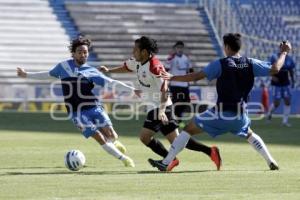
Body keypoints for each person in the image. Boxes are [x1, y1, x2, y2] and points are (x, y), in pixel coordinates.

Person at [149, 33, 290, 171]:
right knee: (249, 133)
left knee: (187, 129)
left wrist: (173, 77)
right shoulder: (251, 63)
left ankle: (167, 162)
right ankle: (271, 161)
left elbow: (197, 76)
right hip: (240, 115)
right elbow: (275, 68)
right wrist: (284, 53)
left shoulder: (221, 64)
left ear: (227, 47)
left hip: (221, 113)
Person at [99, 36, 222, 170]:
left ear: (144, 52)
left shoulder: (155, 67)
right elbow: (126, 67)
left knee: (145, 137)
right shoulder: (138, 61)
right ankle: (210, 152)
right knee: (178, 141)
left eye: (135, 50)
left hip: (160, 106)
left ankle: (169, 160)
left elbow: (165, 91)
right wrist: (109, 70)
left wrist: (162, 110)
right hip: (156, 106)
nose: (133, 52)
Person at [17, 36, 136, 167]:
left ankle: (113, 142)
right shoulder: (63, 66)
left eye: (85, 52)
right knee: (99, 137)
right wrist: (26, 74)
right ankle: (124, 159)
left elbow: (111, 82)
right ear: (73, 53)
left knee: (111, 135)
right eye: (79, 52)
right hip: (76, 112)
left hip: (94, 107)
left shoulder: (92, 71)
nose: (83, 54)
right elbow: (47, 74)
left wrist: (132, 89)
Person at [267, 42, 296, 127]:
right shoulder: (274, 57)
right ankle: (269, 114)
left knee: (287, 101)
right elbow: (269, 67)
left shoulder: (289, 59)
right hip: (276, 84)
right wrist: (272, 76)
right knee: (277, 103)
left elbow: (291, 71)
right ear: (280, 48)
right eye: (283, 46)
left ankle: (285, 121)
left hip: (286, 83)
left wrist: (293, 81)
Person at [165, 41, 193, 126]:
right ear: (175, 49)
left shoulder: (186, 58)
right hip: (175, 84)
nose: (179, 49)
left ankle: (178, 118)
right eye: (178, 47)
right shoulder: (171, 58)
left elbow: (191, 70)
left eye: (181, 47)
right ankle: (173, 118)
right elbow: (166, 69)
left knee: (186, 101)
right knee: (175, 102)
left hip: (184, 84)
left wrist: (190, 79)